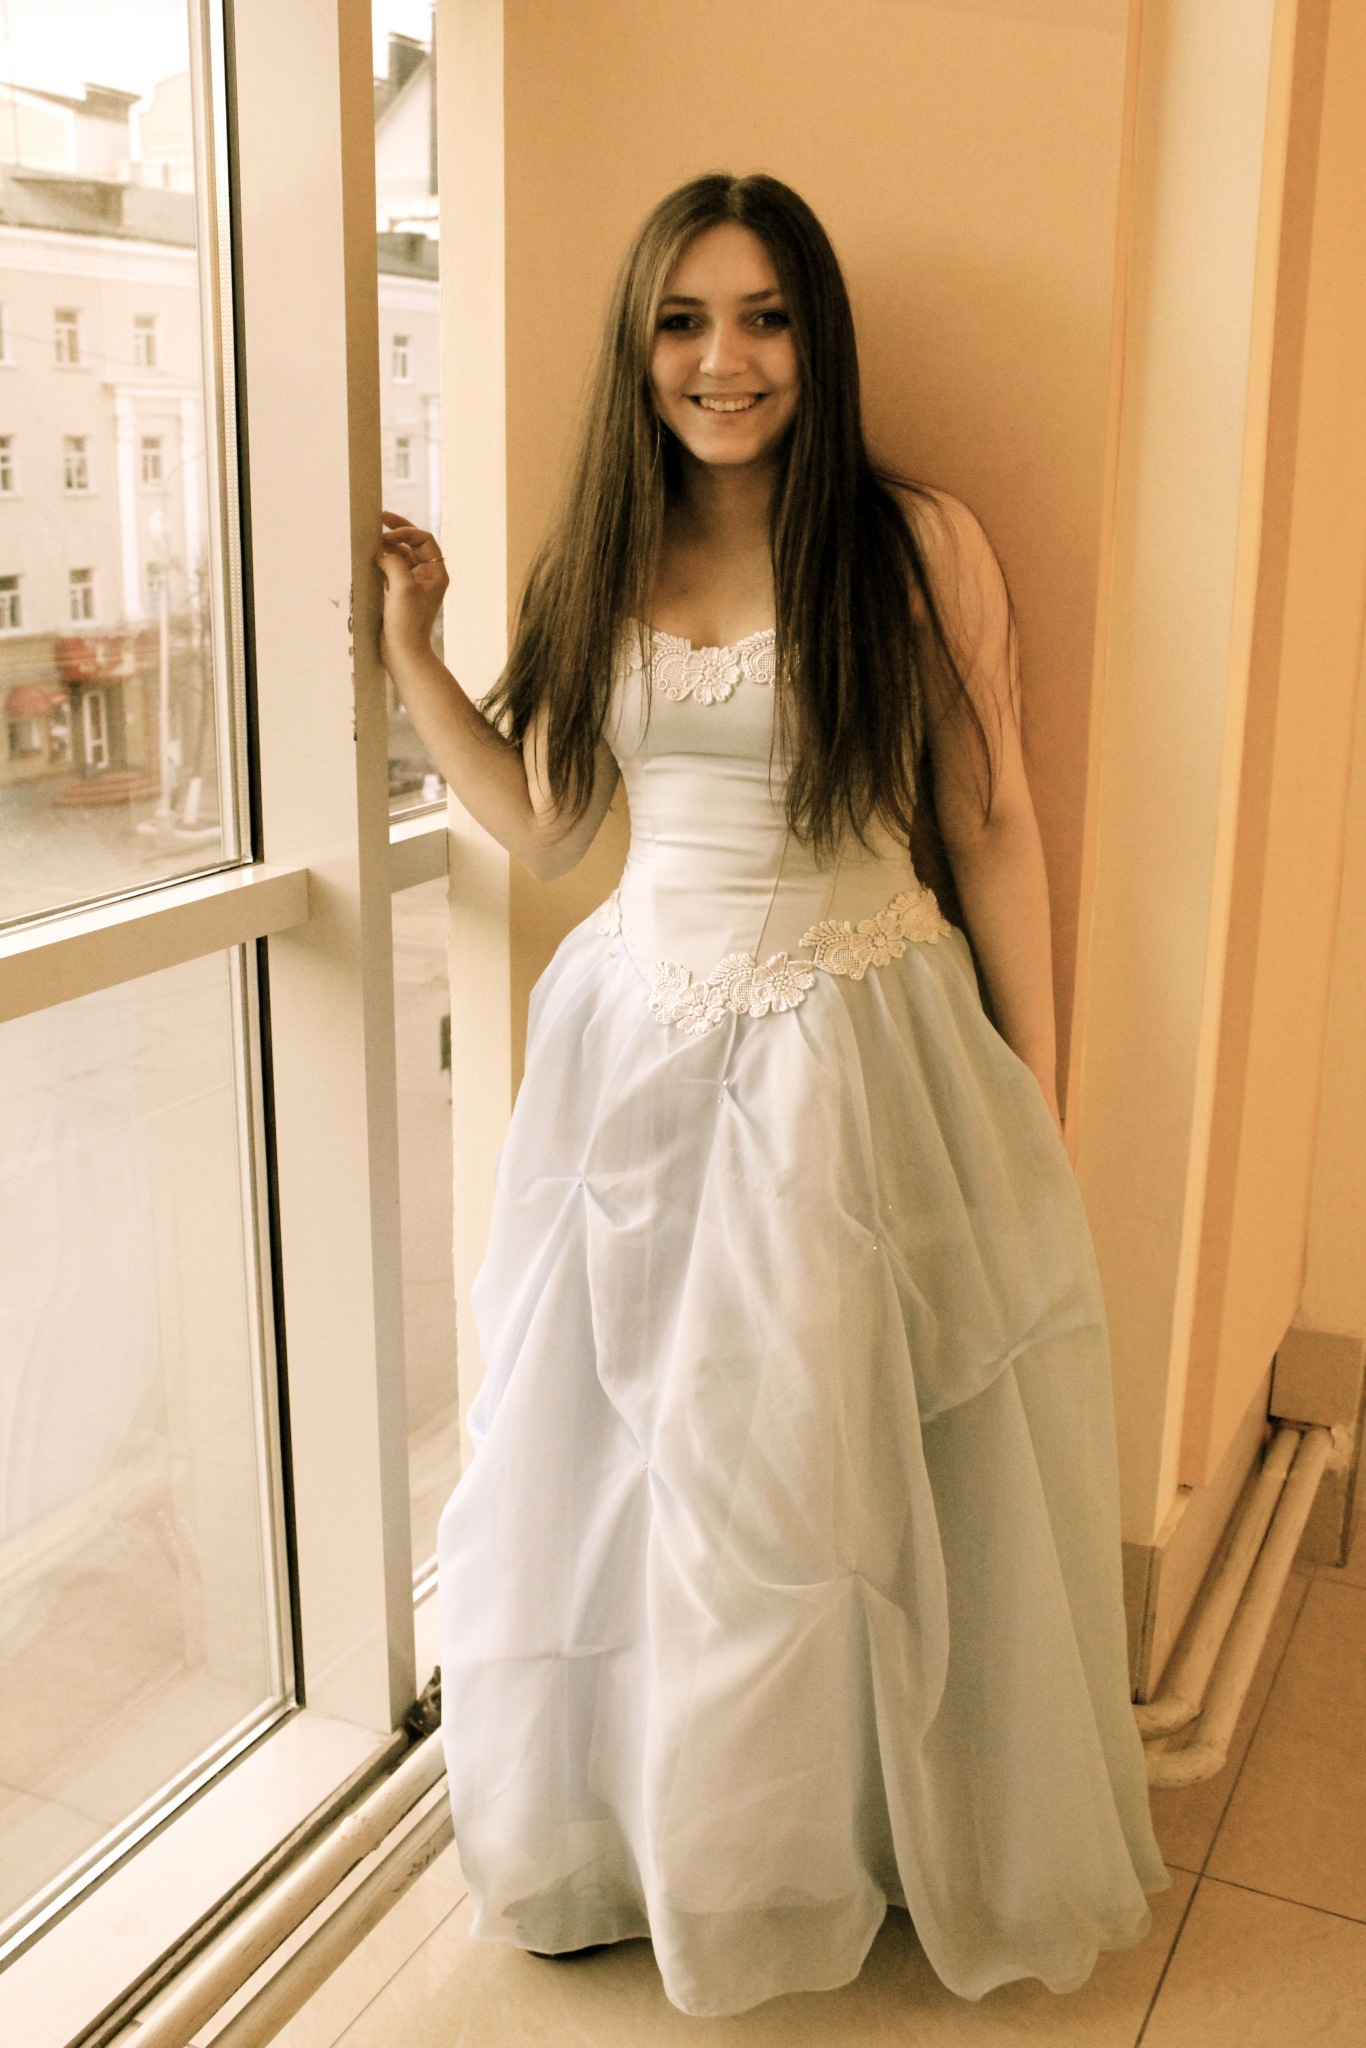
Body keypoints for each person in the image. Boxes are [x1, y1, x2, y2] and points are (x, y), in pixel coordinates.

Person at [376, 171, 1167, 2021]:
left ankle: (819, 1848)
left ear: (815, 337)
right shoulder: (603, 550)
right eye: (682, 320)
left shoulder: (910, 544)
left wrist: (1033, 1100)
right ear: (638, 346)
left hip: (848, 1050)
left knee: (803, 1466)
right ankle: (645, 1842)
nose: (721, 360)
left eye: (762, 317)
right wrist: (414, 649)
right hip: (632, 1053)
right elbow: (551, 826)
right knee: (617, 1462)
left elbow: (988, 816)